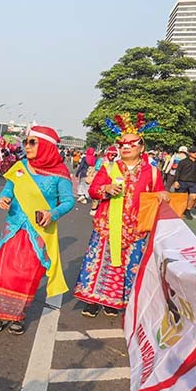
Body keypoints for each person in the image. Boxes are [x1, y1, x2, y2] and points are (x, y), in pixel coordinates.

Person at [0, 126, 75, 334]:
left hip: (38, 232)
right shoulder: (21, 166)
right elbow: (9, 189)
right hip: (13, 229)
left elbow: (68, 201)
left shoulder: (59, 173)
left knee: (27, 275)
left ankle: (17, 315)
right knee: (3, 272)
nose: (27, 146)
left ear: (47, 146)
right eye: (26, 142)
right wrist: (4, 198)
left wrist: (52, 213)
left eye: (33, 142)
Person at [74, 114, 169, 317]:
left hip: (135, 230)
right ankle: (92, 302)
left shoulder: (153, 172)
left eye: (131, 143)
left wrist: (163, 195)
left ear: (142, 147)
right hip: (107, 227)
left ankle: (114, 302)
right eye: (122, 144)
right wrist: (106, 188)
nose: (125, 147)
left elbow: (159, 194)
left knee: (127, 267)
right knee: (99, 263)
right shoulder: (110, 167)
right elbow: (93, 191)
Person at [172, 145, 196, 220]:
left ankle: (187, 210)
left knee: (193, 197)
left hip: (194, 183)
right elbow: (178, 172)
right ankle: (176, 211)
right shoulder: (183, 162)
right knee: (179, 198)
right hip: (182, 181)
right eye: (194, 152)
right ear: (189, 153)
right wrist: (176, 181)